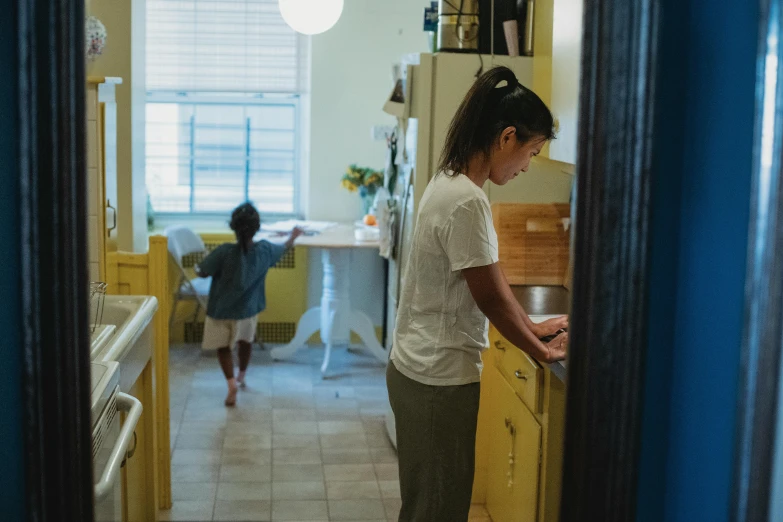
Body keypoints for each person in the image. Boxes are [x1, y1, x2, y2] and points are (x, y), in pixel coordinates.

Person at [387, 66, 569, 521]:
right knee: (436, 510)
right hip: (436, 380)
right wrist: (540, 351)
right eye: (531, 151)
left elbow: (486, 279)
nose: (528, 166)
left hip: (420, 370)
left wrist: (530, 324)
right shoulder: (467, 200)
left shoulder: (449, 181)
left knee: (428, 504)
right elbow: (488, 298)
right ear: (507, 138)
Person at [196, 203, 303, 406]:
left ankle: (230, 384)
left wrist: (200, 266)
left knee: (223, 347)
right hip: (248, 311)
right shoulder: (265, 250)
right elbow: (284, 248)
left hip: (221, 310)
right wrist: (293, 236)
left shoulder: (223, 252)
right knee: (246, 342)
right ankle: (241, 376)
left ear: (233, 227)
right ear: (257, 227)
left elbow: (202, 271)